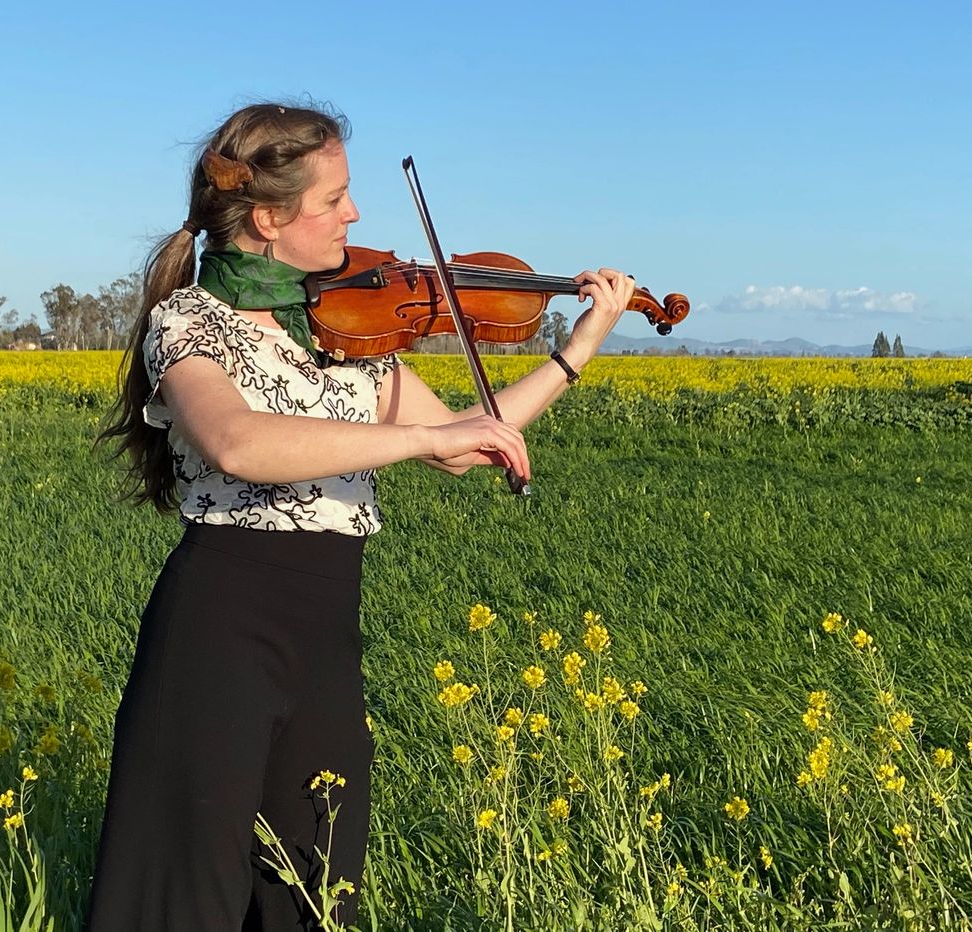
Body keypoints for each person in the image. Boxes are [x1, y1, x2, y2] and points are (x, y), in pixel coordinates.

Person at [88, 100, 635, 931]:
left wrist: (578, 348)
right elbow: (237, 443)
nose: (354, 213)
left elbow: (462, 445)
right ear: (269, 218)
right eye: (334, 198)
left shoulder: (349, 334)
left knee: (315, 882)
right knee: (184, 882)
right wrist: (411, 435)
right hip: (220, 623)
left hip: (324, 632)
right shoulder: (190, 323)